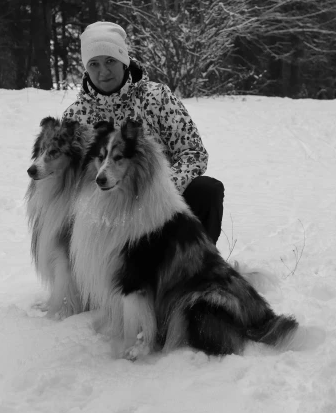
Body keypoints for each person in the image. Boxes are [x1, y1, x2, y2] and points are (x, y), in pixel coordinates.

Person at [62, 21, 225, 245]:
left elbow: (193, 152)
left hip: (162, 202)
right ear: (86, 68)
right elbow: (69, 177)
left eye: (110, 60)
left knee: (207, 190)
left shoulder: (156, 97)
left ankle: (201, 267)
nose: (103, 72)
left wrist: (159, 190)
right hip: (104, 212)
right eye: (94, 64)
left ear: (124, 60)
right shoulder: (76, 117)